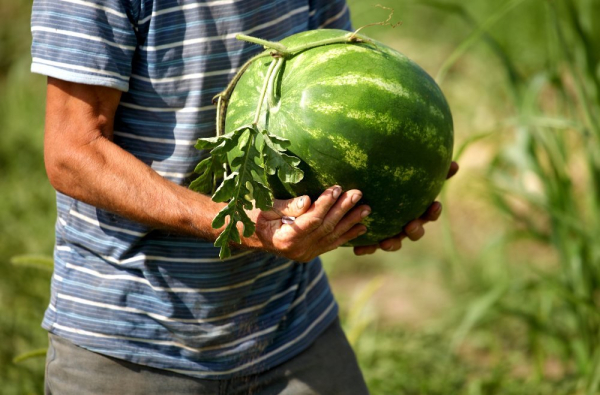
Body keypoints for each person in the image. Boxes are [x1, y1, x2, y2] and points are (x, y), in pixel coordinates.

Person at [32, 0, 458, 393]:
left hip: (293, 327)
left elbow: (349, 75)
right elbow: (74, 152)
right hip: (132, 346)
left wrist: (382, 197)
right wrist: (234, 223)